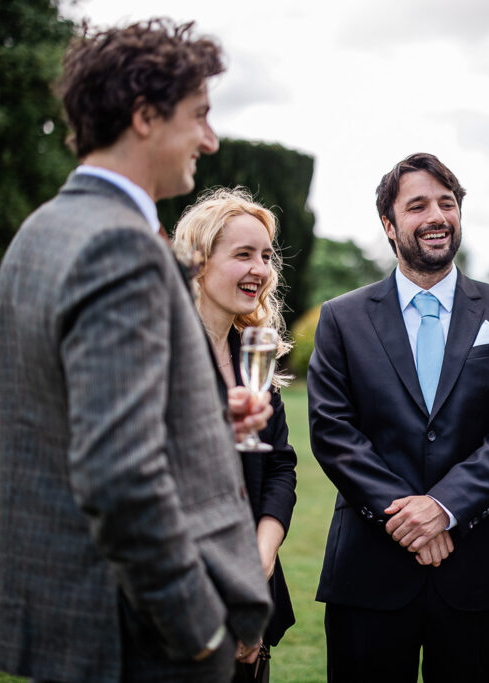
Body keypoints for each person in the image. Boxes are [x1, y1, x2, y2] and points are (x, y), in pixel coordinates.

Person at [0, 20, 273, 682]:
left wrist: (200, 419)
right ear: (144, 116)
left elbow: (71, 414)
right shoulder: (121, 247)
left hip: (70, 625)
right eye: (198, 116)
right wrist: (198, 626)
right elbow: (119, 477)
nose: (211, 138)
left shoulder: (42, 230)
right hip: (139, 639)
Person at [307, 152, 489, 682]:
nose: (437, 215)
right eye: (418, 206)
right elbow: (332, 431)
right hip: (369, 571)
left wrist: (445, 506)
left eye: (447, 203)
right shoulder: (342, 319)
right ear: (389, 226)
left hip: (482, 570)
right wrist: (409, 516)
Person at [172, 187, 299, 681]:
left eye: (266, 256)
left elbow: (281, 464)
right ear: (198, 263)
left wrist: (261, 562)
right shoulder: (163, 352)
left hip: (256, 590)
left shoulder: (255, 354)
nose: (260, 269)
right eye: (243, 254)